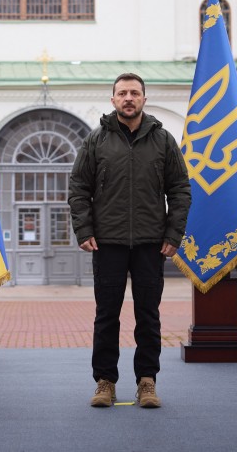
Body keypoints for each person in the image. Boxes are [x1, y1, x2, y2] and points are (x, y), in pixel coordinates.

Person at [68, 73, 191, 409]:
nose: (128, 98)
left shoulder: (163, 140)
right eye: (122, 93)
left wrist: (173, 234)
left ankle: (147, 381)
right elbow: (79, 188)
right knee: (106, 315)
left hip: (152, 242)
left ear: (144, 99)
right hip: (107, 241)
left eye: (134, 93)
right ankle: (105, 381)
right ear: (112, 100)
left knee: (148, 315)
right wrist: (84, 230)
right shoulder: (96, 140)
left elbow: (180, 189)